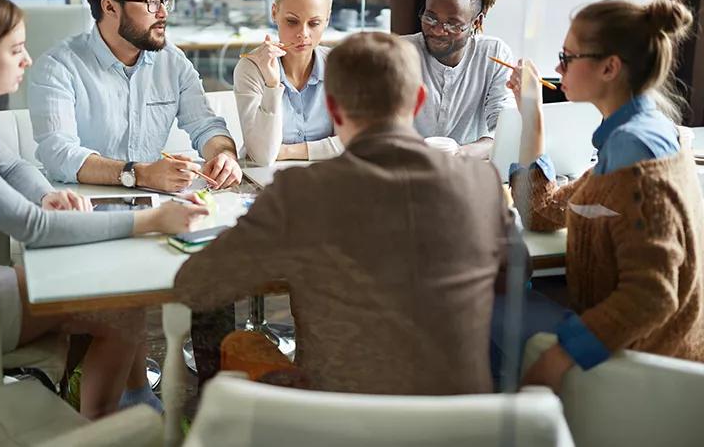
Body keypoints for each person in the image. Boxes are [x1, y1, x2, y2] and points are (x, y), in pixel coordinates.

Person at [0, 0, 208, 418]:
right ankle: (106, 426)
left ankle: (119, 406)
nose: (27, 60)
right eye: (16, 50)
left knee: (111, 294)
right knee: (119, 311)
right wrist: (153, 220)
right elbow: (33, 228)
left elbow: (10, 167)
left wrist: (47, 194)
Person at [171, 32, 520, 394]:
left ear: (333, 109)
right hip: (462, 422)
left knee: (238, 345)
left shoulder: (301, 193)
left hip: (335, 421)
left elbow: (196, 286)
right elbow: (514, 272)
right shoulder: (483, 183)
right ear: (418, 101)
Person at [507, 0, 704, 393]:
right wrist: (532, 112)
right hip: (645, 344)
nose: (558, 67)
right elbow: (542, 211)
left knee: (482, 322)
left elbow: (653, 293)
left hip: (645, 365)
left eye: (567, 56)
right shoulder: (639, 132)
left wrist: (559, 357)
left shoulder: (635, 151)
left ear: (610, 67)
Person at [29, 0, 242, 192]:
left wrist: (225, 156)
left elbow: (206, 126)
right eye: (151, 2)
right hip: (83, 209)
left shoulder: (172, 62)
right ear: (109, 7)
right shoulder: (58, 67)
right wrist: (139, 174)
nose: (163, 13)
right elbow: (58, 154)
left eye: (164, 0)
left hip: (156, 204)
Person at [402, 0, 516, 159]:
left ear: (476, 22)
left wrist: (460, 154)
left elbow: (502, 131)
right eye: (430, 18)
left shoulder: (494, 55)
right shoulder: (401, 52)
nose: (438, 30)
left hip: (468, 169)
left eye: (453, 24)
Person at [235, 0, 342, 166]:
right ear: (274, 13)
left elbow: (351, 143)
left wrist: (286, 151)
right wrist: (272, 85)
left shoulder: (338, 66)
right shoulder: (251, 69)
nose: (303, 34)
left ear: (327, 19)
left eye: (314, 23)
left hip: (326, 179)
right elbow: (264, 156)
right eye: (292, 21)